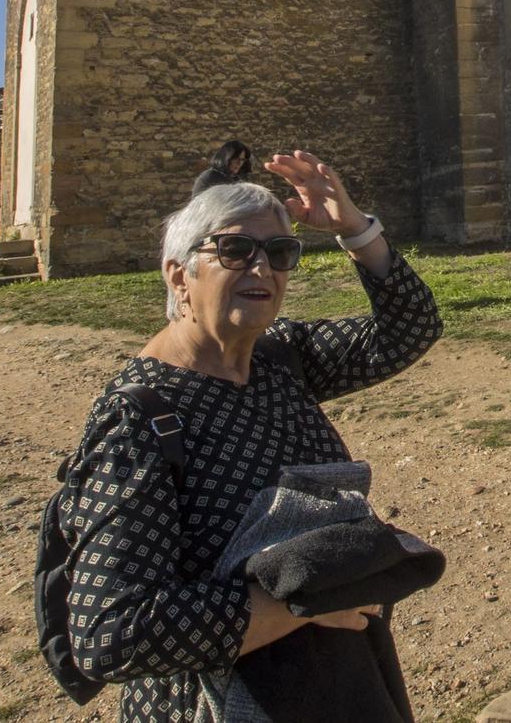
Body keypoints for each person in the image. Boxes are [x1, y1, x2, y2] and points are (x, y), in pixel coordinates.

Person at [58, 150, 442, 721]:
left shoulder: (278, 358)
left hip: (333, 681)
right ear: (178, 274)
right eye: (235, 250)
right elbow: (110, 632)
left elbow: (410, 328)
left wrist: (354, 229)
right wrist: (302, 605)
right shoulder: (139, 418)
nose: (262, 269)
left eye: (281, 253)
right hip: (218, 703)